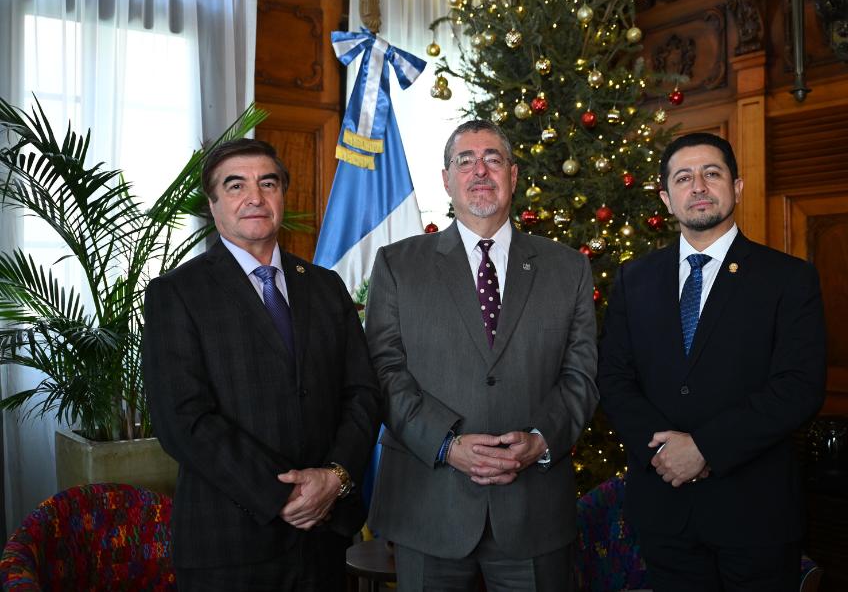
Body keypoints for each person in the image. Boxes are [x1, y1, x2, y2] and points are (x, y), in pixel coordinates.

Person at [364, 120, 598, 591]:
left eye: (493, 159)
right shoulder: (397, 264)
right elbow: (384, 372)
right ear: (446, 179)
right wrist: (447, 445)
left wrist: (539, 440)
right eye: (464, 161)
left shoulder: (568, 267)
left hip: (533, 509)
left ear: (513, 176)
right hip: (428, 505)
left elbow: (581, 376)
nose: (480, 171)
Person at [143, 138, 380, 591]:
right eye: (235, 186)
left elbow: (363, 394)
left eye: (267, 183)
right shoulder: (177, 294)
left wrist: (335, 478)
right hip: (230, 544)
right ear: (213, 206)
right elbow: (182, 419)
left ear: (282, 197)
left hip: (326, 538)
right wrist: (282, 496)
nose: (255, 196)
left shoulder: (327, 287)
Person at [597, 132, 826, 591]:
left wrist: (704, 448)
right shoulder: (634, 278)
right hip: (665, 511)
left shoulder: (788, 278)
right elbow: (614, 378)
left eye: (712, 173)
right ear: (666, 197)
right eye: (684, 177)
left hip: (754, 515)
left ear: (736, 187)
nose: (698, 186)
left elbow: (798, 387)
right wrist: (663, 452)